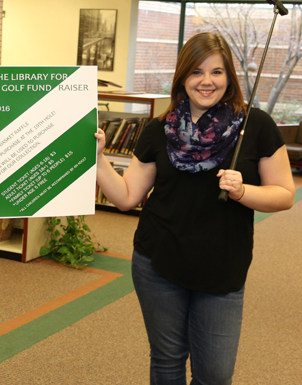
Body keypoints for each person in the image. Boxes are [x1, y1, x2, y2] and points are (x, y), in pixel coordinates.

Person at [95, 32, 294, 384]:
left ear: (229, 77)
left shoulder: (255, 125)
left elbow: (284, 194)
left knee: (215, 374)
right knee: (168, 362)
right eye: (196, 72)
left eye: (216, 72)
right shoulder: (159, 128)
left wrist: (243, 191)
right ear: (182, 77)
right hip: (158, 261)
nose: (206, 82)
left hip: (222, 266)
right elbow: (127, 197)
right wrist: (99, 161)